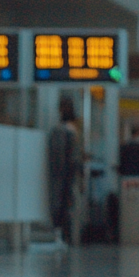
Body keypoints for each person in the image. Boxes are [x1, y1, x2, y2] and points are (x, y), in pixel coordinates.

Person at [47, 96, 83, 244]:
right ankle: (66, 235)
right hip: (67, 174)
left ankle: (64, 234)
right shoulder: (71, 130)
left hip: (63, 175)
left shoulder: (62, 130)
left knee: (62, 204)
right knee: (66, 204)